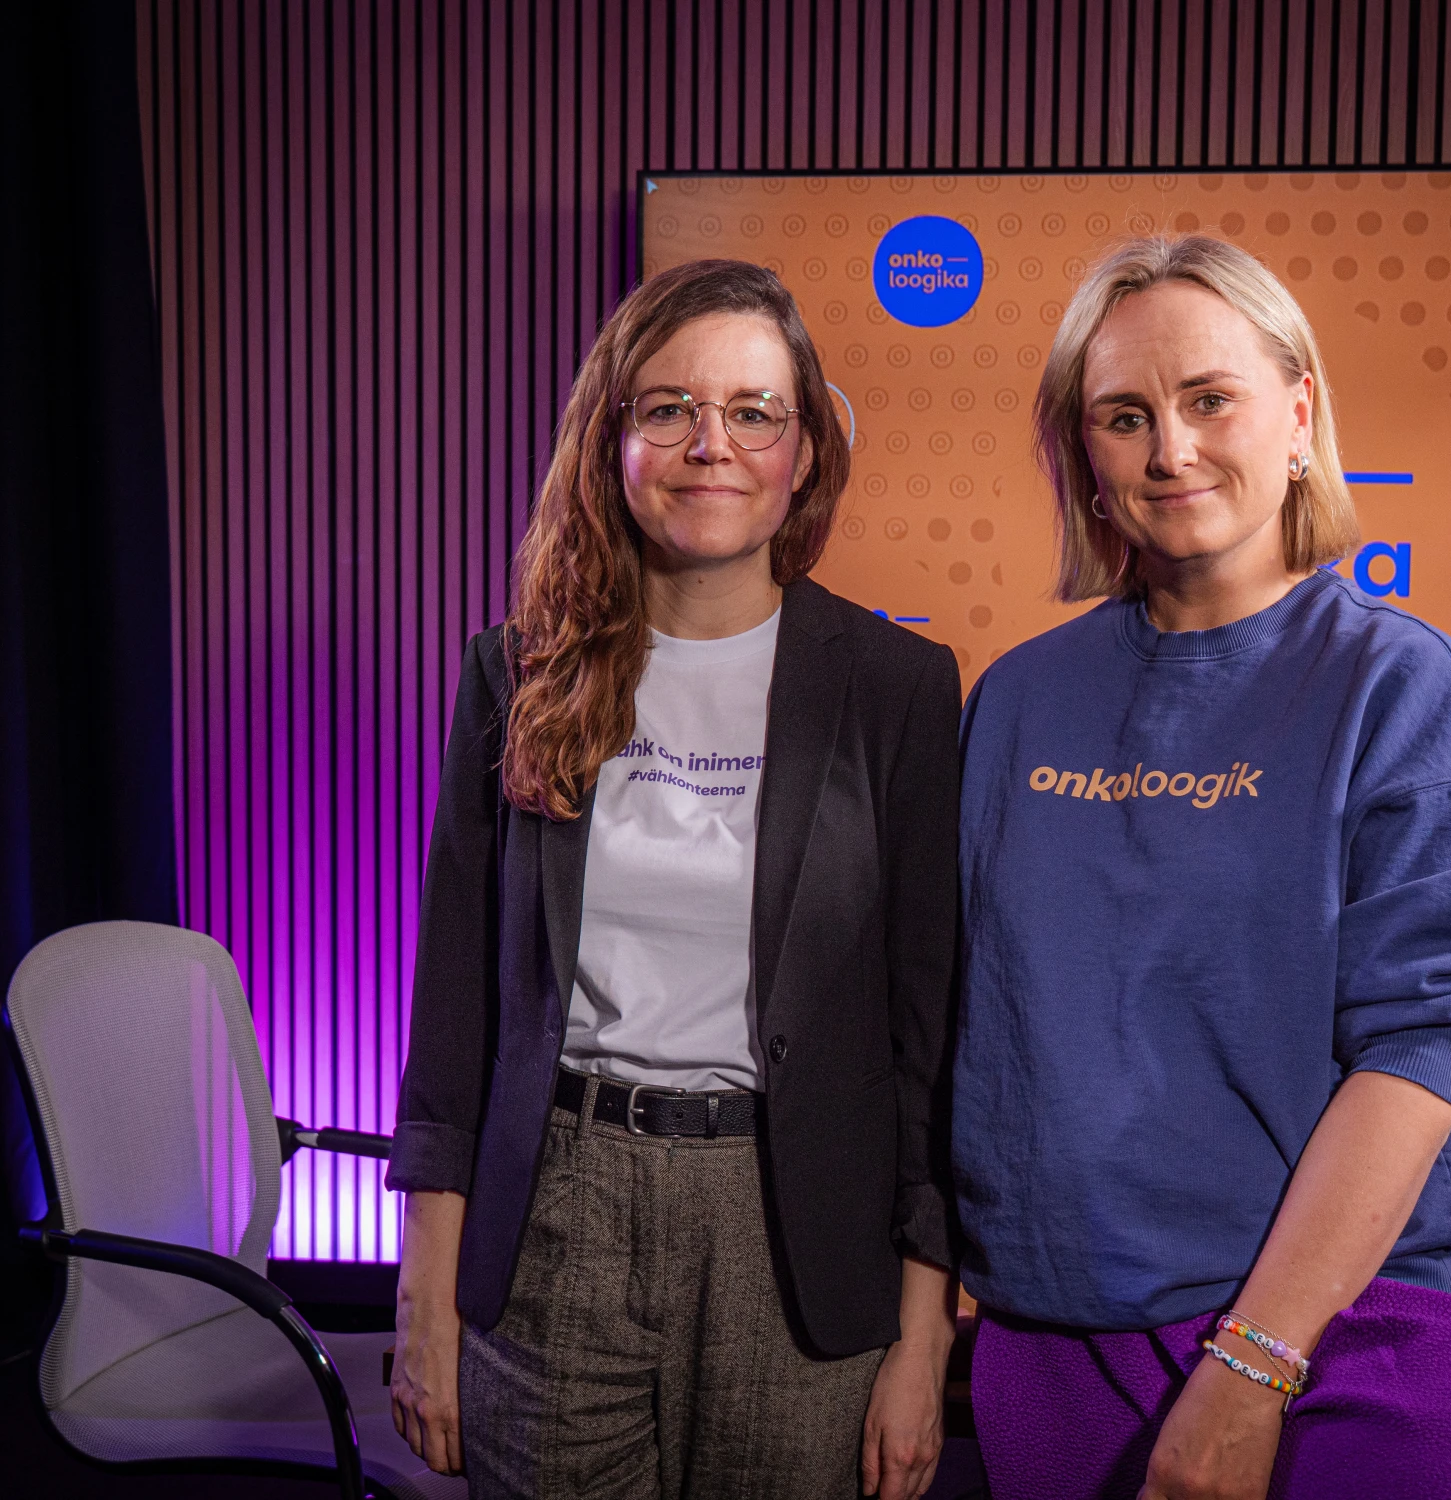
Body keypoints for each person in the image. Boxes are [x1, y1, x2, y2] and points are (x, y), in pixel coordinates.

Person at [952, 234, 1451, 1500]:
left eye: (1209, 399)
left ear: (1296, 416)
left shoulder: (1403, 692)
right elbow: (958, 1031)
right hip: (1055, 1339)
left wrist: (1253, 1365)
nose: (1169, 450)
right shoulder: (1015, 702)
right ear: (1083, 453)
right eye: (1123, 416)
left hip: (1337, 1341)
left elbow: (1420, 1054)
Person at [384, 258, 961, 1500]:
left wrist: (923, 1337)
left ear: (802, 453)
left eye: (752, 411)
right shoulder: (517, 672)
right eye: (668, 408)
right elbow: (455, 1012)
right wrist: (424, 1296)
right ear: (613, 440)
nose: (712, 445)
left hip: (795, 1232)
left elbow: (927, 1041)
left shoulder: (896, 690)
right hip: (557, 1215)